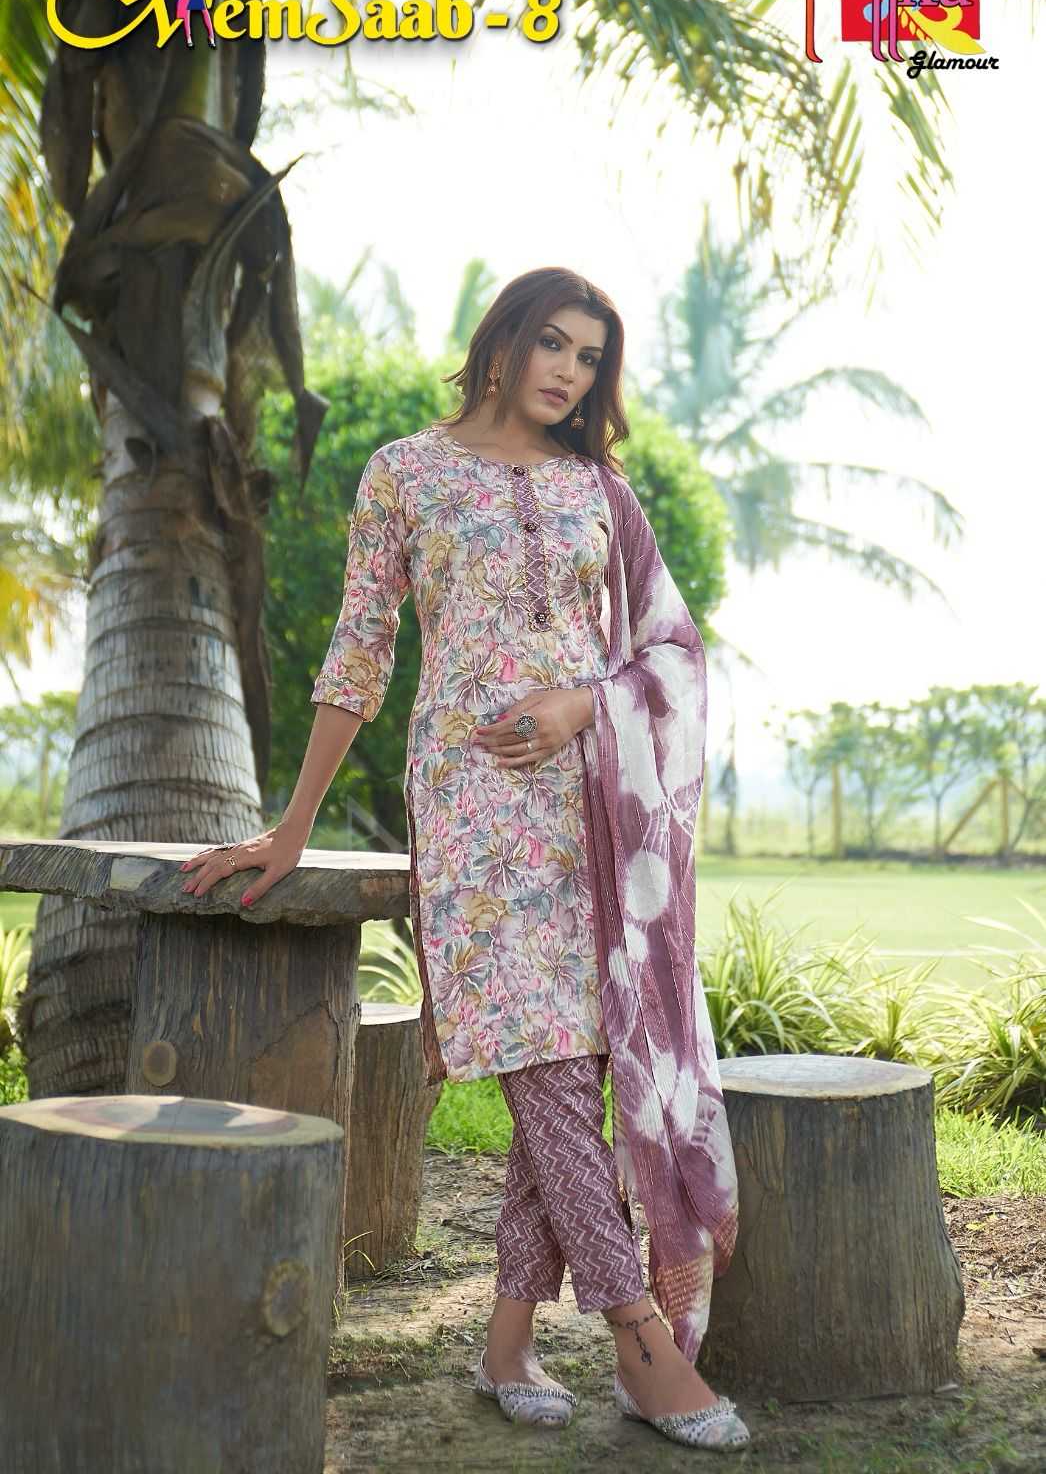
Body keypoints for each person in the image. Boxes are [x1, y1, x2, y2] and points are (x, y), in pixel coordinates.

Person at [179, 267, 749, 1451]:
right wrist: (292, 825)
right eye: (552, 343)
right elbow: (359, 653)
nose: (568, 372)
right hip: (472, 803)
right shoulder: (403, 472)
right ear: (502, 340)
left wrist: (578, 706)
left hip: (585, 808)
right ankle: (637, 1338)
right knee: (544, 1063)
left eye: (589, 357)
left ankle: (504, 1343)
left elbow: (669, 652)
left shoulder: (598, 488)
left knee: (568, 1062)